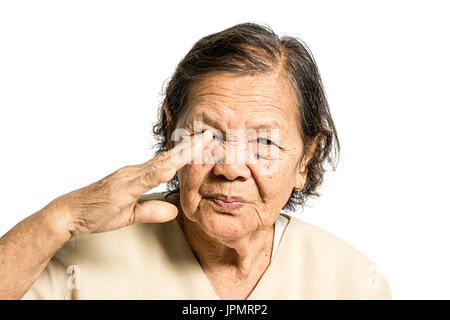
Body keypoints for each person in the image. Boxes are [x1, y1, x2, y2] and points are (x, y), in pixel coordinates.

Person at [0, 23, 392, 300]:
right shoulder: (82, 258)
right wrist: (63, 219)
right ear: (173, 131)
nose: (230, 167)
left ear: (305, 160)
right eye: (207, 135)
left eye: (264, 141)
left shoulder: (353, 281)